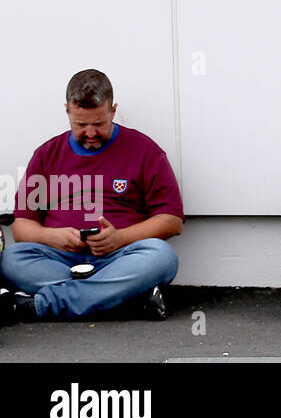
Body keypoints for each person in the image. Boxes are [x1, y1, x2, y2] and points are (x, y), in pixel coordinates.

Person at [0, 70, 182, 324]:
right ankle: (127, 302)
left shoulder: (145, 150)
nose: (90, 133)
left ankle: (38, 306)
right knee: (12, 259)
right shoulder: (46, 154)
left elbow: (171, 220)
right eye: (80, 125)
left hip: (121, 258)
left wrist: (120, 238)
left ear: (113, 110)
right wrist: (52, 236)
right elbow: (22, 227)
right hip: (59, 260)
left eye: (99, 124)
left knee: (162, 256)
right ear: (67, 111)